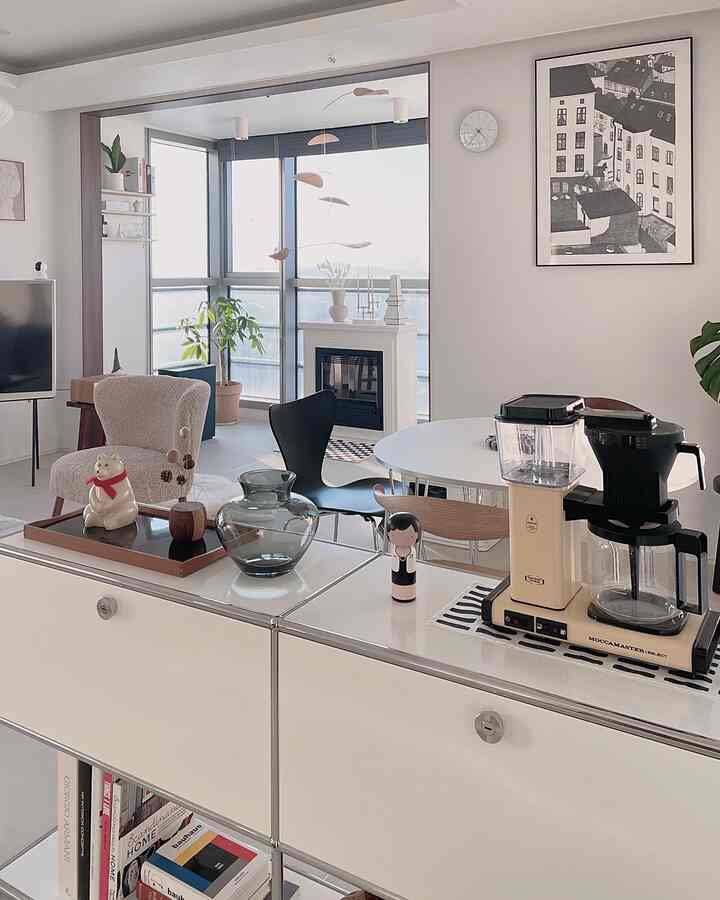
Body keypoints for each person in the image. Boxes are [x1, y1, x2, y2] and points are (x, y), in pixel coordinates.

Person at [387, 511, 421, 603]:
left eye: (409, 536)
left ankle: (408, 595)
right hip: (396, 574)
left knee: (409, 585)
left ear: (417, 535)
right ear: (389, 535)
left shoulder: (412, 551)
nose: (402, 539)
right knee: (396, 584)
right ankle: (397, 594)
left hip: (410, 575)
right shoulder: (394, 550)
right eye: (395, 535)